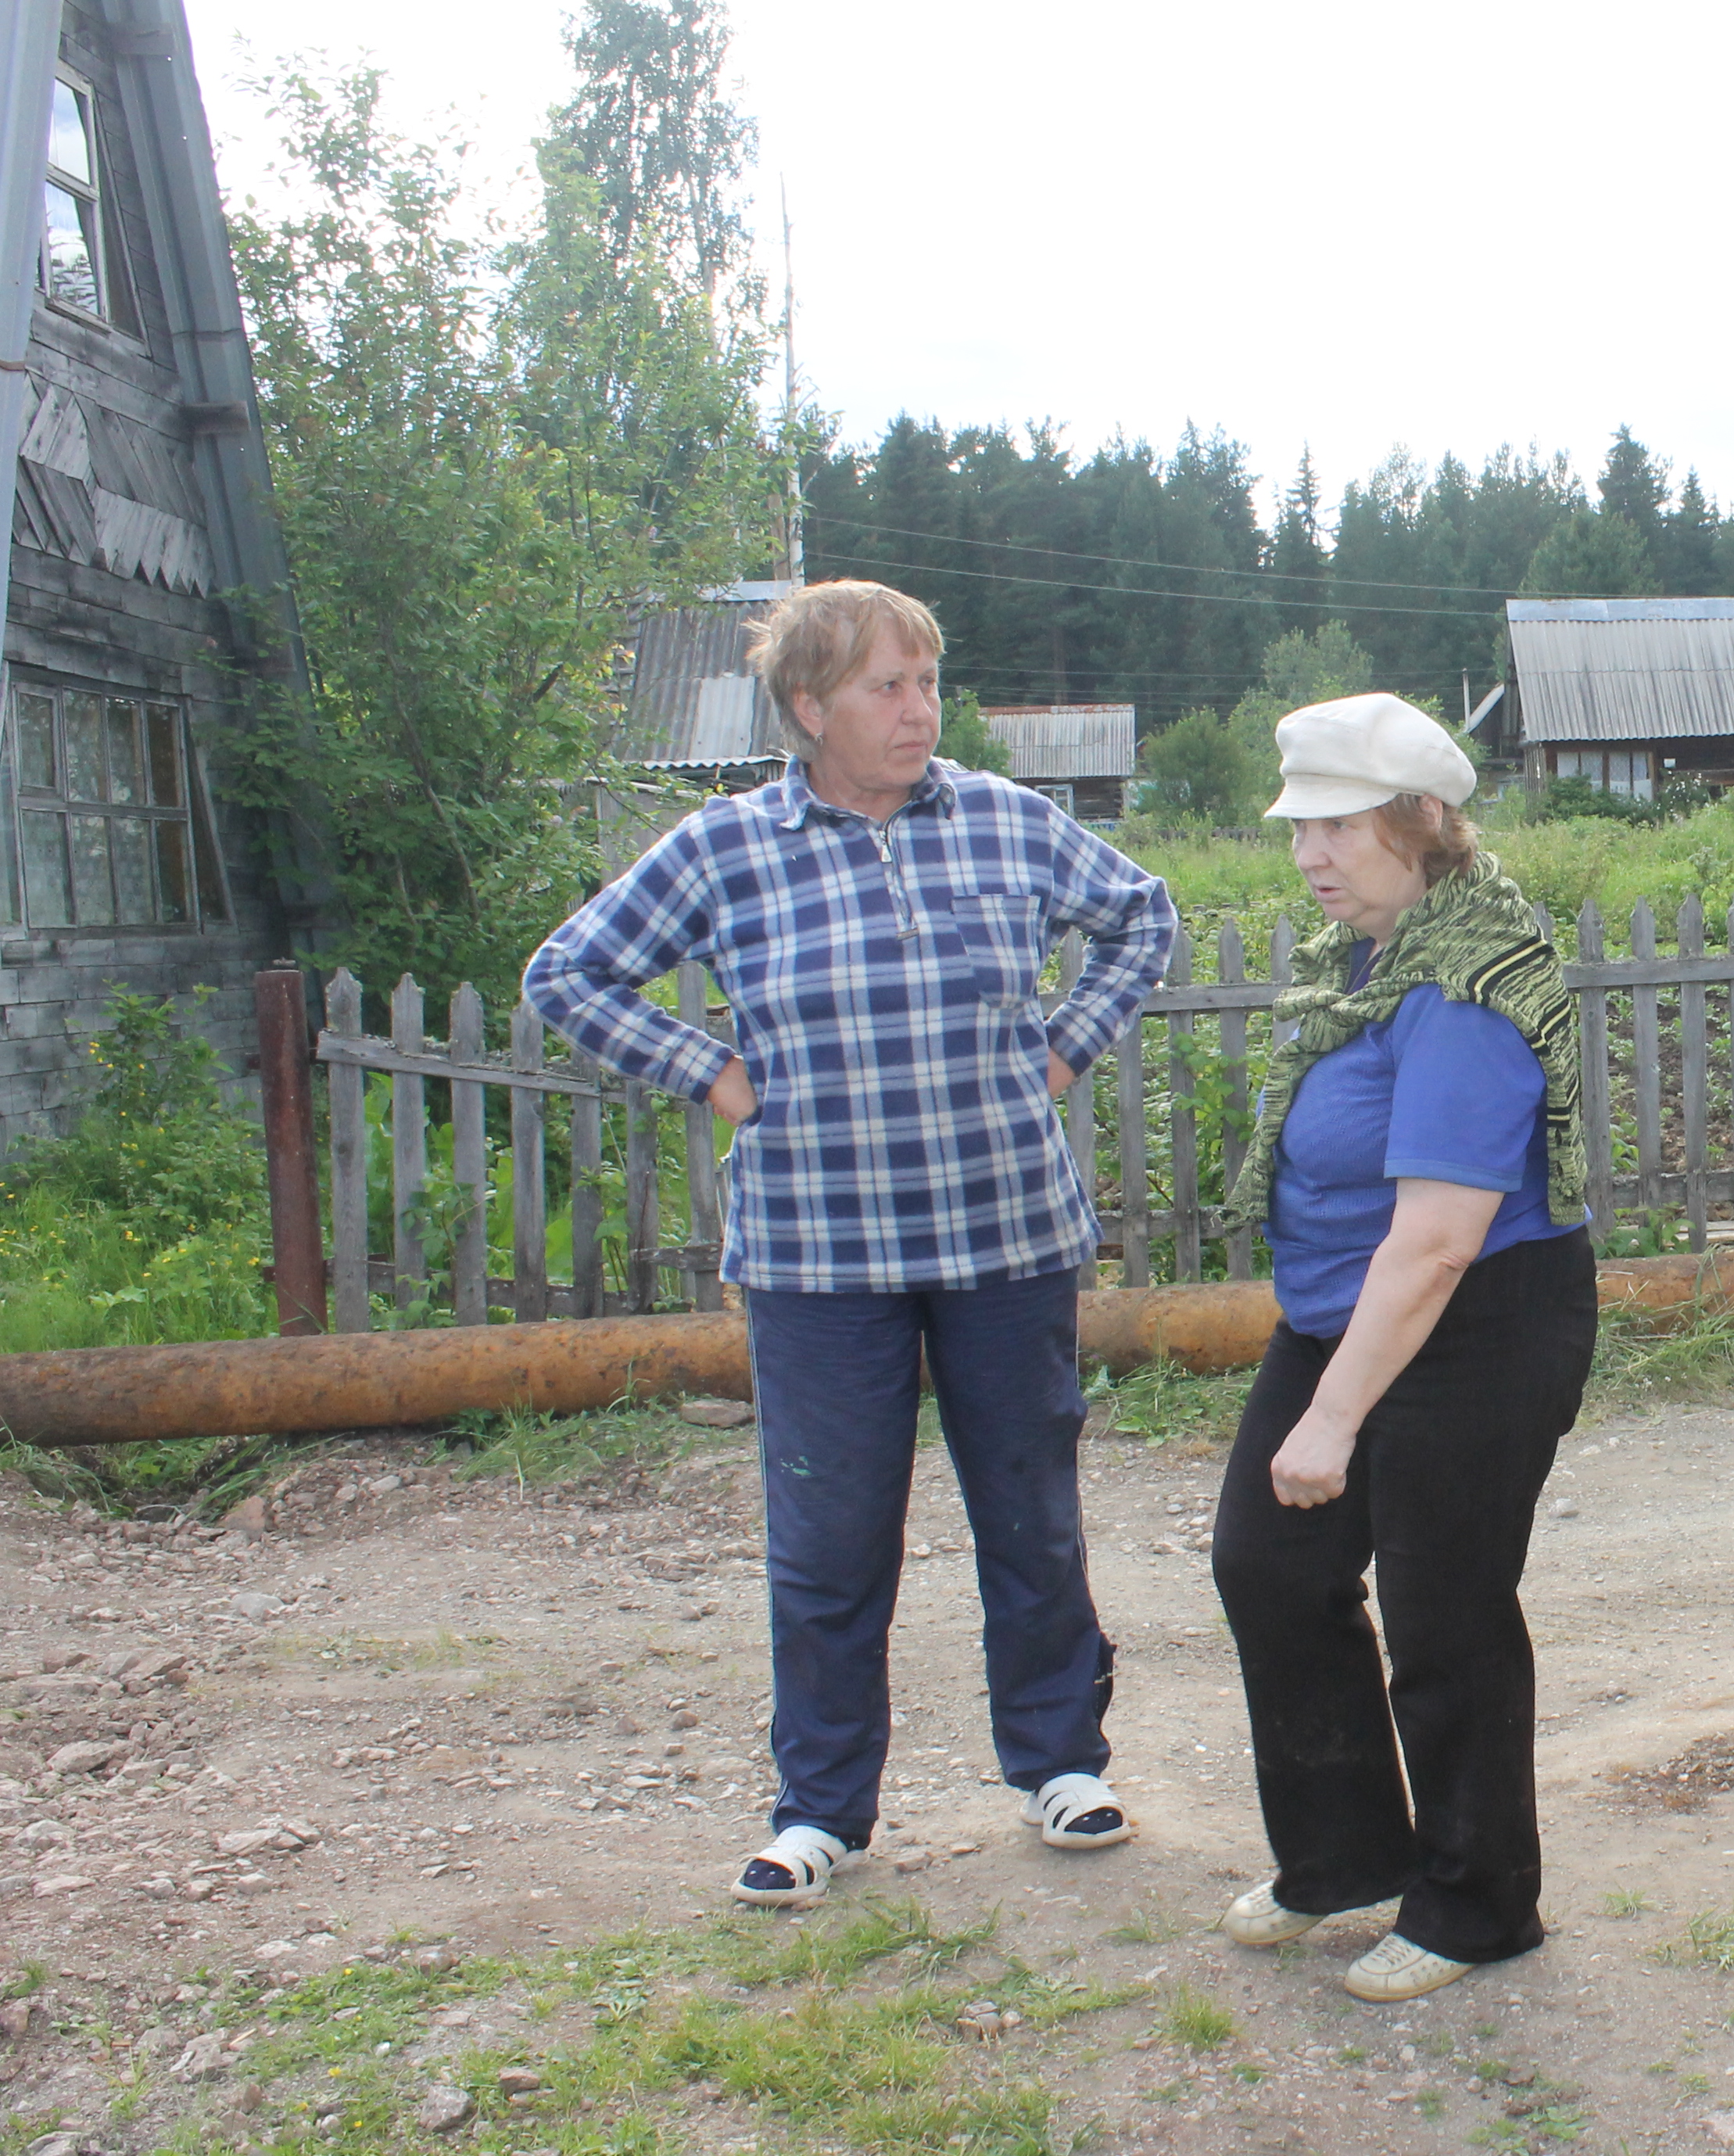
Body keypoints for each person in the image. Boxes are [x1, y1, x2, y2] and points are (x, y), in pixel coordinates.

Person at [524, 579, 1177, 1907]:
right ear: (810, 707)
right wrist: (709, 1073)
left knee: (1032, 1517)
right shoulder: (725, 849)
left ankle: (1061, 1764)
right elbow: (568, 974)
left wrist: (1063, 1049)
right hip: (820, 1260)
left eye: (928, 682)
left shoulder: (1006, 818)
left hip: (1005, 1241)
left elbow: (1142, 918)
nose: (918, 710)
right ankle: (821, 1809)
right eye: (888, 686)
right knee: (830, 1542)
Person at [1203, 694, 1597, 2006]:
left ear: (1420, 824)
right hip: (1343, 1315)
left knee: (1445, 1614)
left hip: (1478, 1322)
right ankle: (1343, 1857)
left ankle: (1479, 1903)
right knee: (1270, 1565)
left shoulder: (1472, 983)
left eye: (1337, 824)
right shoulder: (1361, 958)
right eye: (1297, 826)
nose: (1309, 852)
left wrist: (1330, 1422)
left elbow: (1435, 1242)